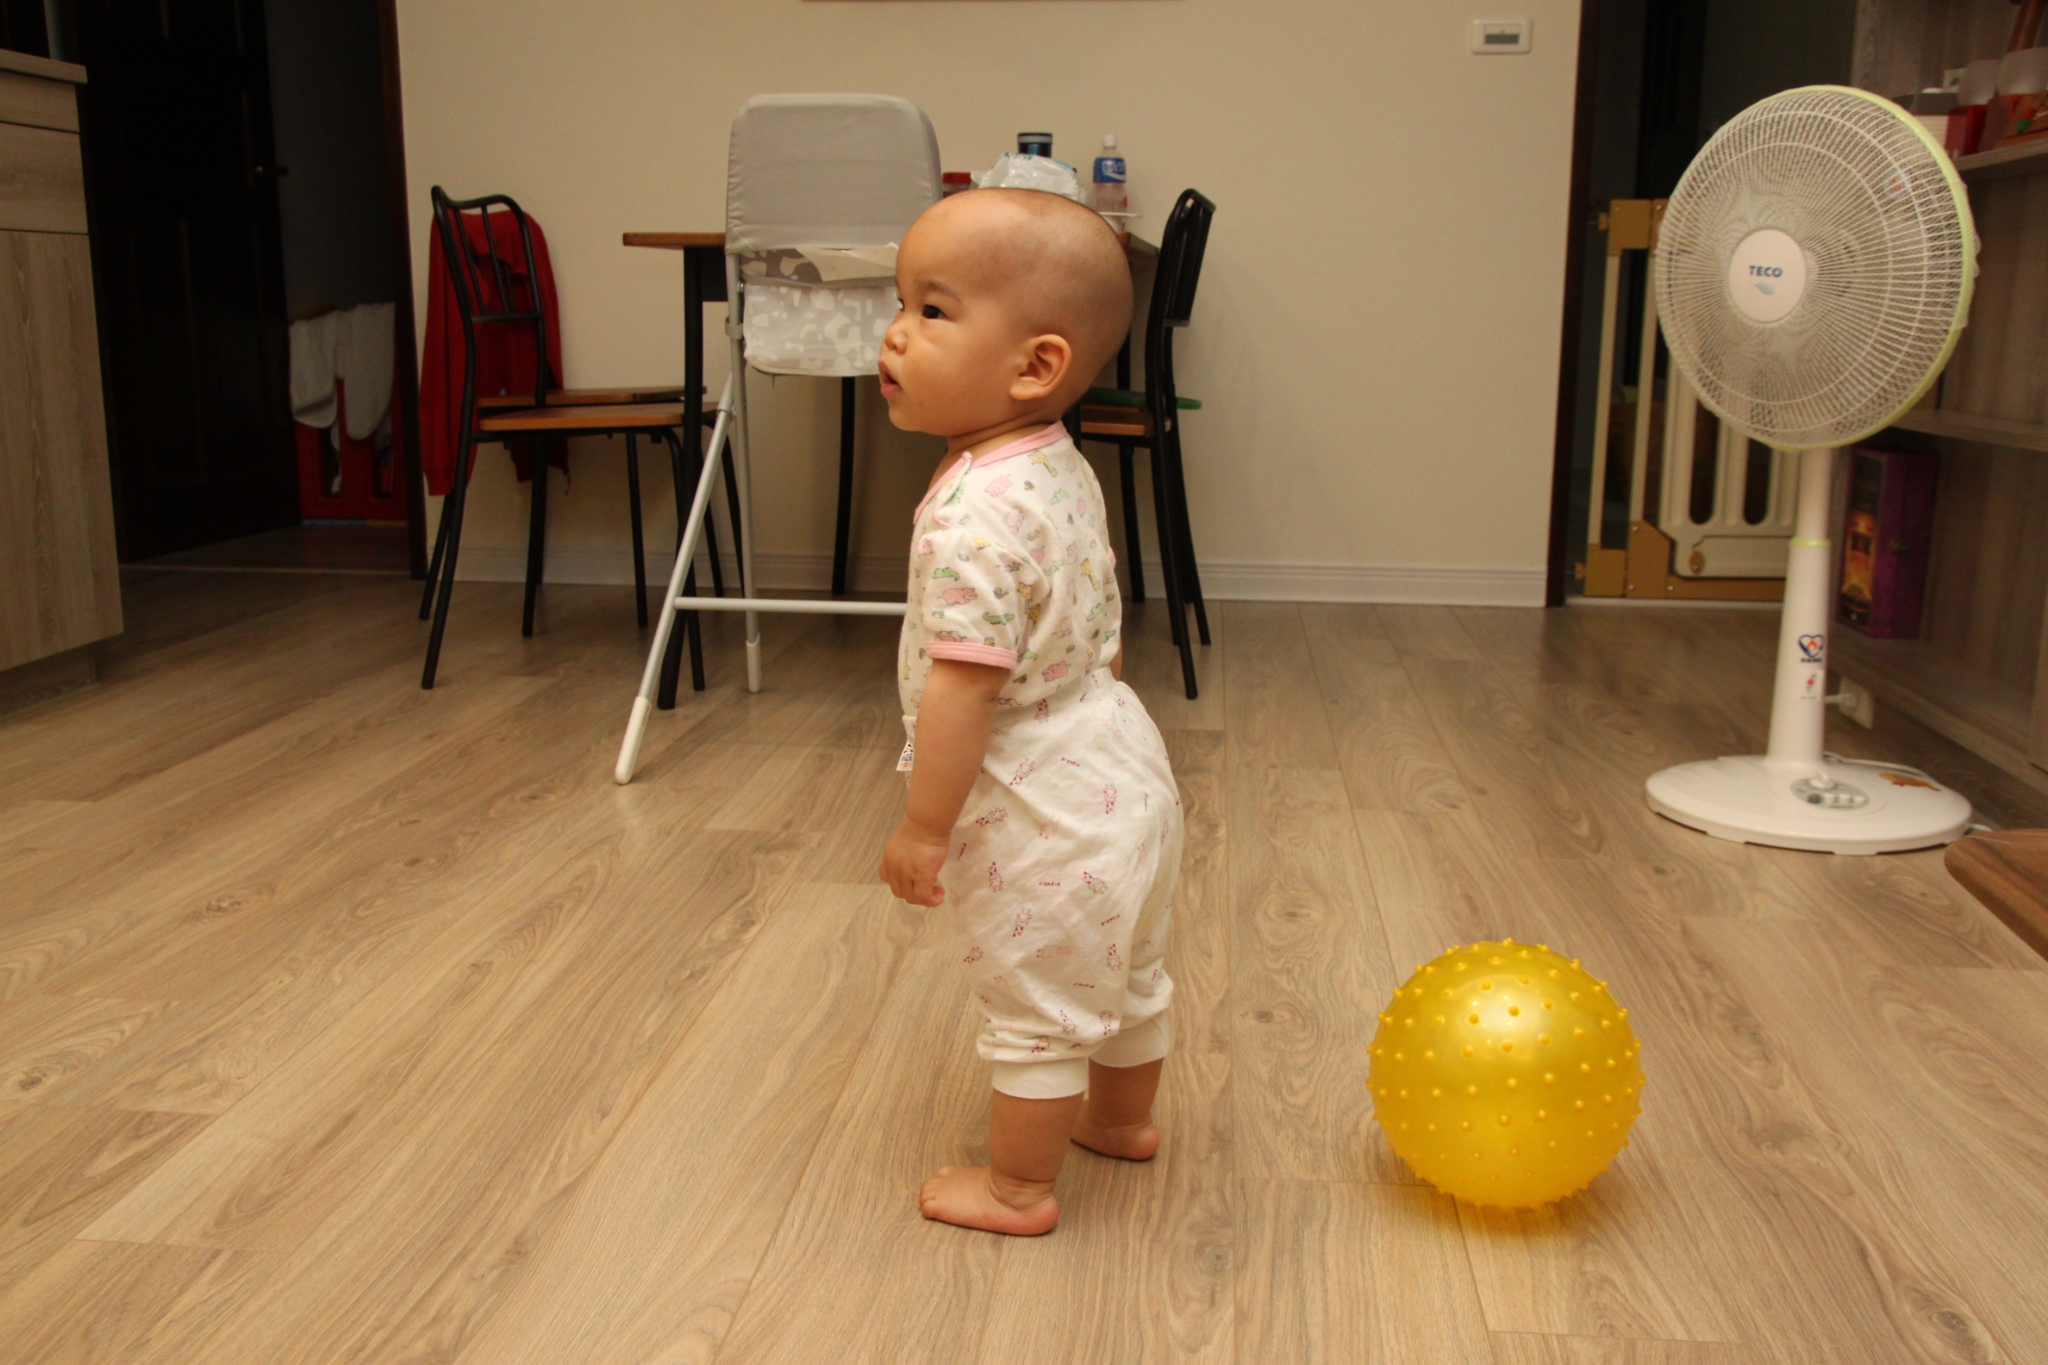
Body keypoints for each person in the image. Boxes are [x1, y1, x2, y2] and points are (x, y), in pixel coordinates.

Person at [876, 188, 1183, 1235]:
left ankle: (1017, 1187)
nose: (896, 332)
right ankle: (1121, 1122)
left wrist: (925, 827)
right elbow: (1088, 606)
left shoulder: (970, 514)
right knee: (1127, 968)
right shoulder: (1055, 458)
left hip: (1040, 800)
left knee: (1036, 1005)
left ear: (1035, 365)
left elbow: (962, 689)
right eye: (901, 302)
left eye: (932, 310)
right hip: (1120, 761)